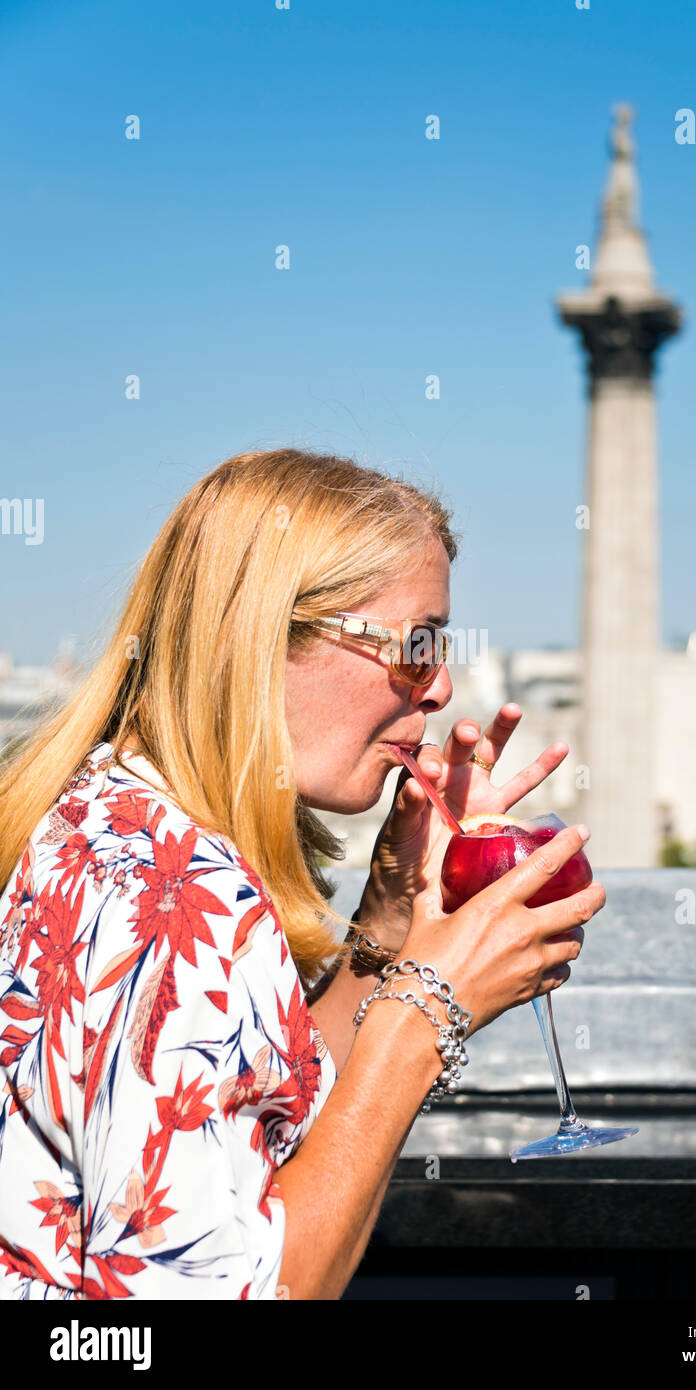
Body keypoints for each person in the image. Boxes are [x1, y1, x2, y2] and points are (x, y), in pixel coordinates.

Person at [0, 447, 604, 1300]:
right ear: (264, 636)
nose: (439, 691)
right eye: (418, 647)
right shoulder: (175, 897)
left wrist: (389, 925)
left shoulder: (112, 823)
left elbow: (243, 1127)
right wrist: (426, 1011)